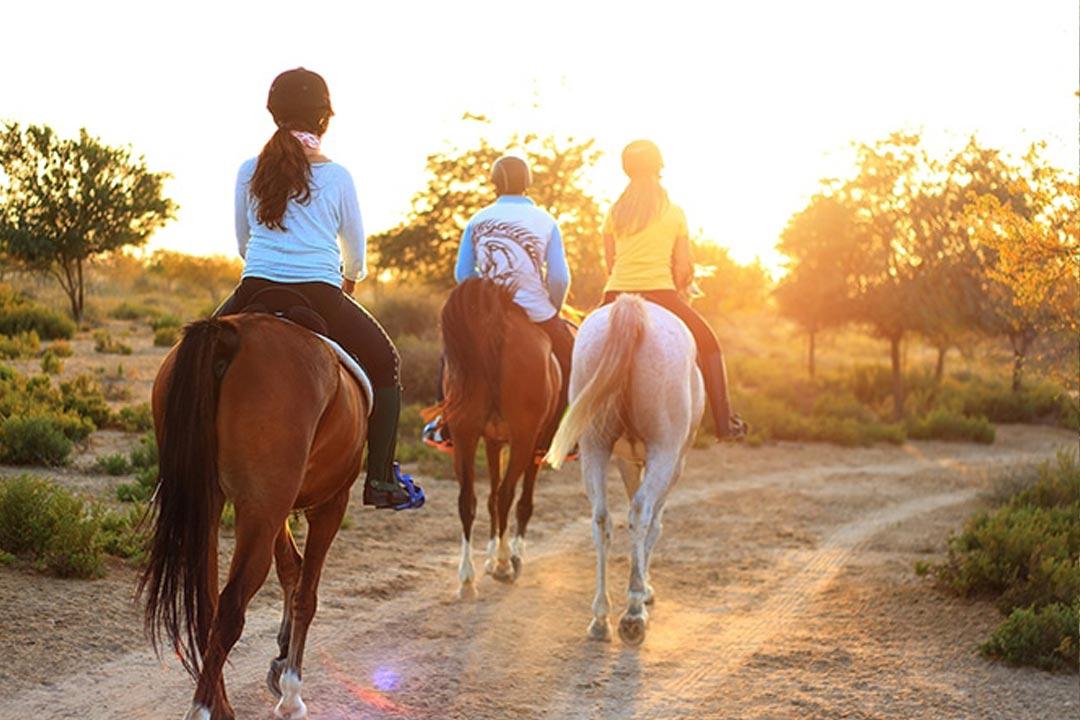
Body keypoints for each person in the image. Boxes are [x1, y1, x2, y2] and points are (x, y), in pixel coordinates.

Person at [216, 67, 422, 510]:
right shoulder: (338, 177)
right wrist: (350, 279)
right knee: (386, 363)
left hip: (254, 288)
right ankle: (382, 480)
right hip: (322, 295)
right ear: (323, 120)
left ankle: (176, 470)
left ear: (274, 115)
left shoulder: (248, 170)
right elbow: (356, 251)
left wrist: (269, 265)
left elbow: (241, 241)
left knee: (190, 363)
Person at [423, 155, 574, 456]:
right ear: (528, 183)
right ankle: (563, 435)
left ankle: (446, 423)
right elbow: (558, 277)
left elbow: (463, 275)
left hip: (488, 314)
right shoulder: (546, 221)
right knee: (570, 357)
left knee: (451, 357)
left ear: (493, 184)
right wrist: (552, 309)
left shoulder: (477, 220)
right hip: (535, 310)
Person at [602, 139, 746, 440]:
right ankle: (724, 423)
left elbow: (610, 262)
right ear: (659, 168)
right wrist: (681, 288)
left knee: (578, 350)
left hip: (615, 294)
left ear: (626, 171)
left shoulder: (614, 212)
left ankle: (569, 428)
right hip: (661, 295)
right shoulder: (674, 212)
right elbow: (683, 268)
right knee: (709, 343)